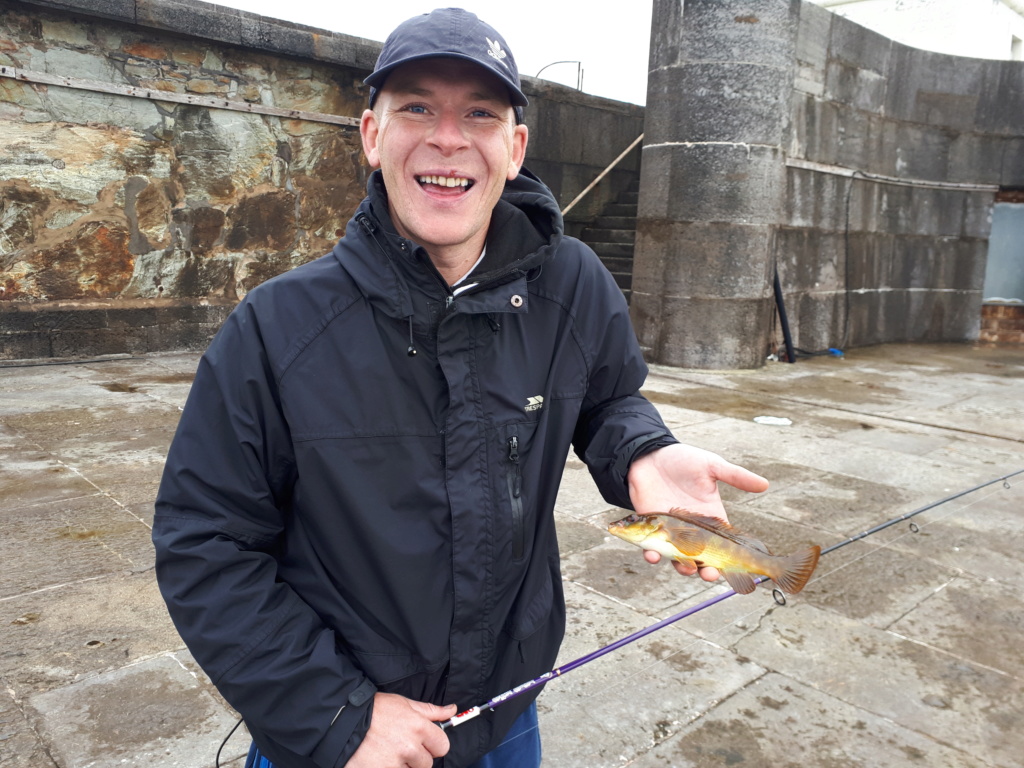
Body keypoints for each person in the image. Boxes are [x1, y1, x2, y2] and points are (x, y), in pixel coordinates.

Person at [152, 8, 769, 768]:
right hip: (341, 734)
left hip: (506, 709)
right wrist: (334, 715)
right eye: (416, 107)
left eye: (479, 113)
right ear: (372, 137)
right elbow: (205, 540)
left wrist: (642, 450)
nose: (448, 138)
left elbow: (609, 399)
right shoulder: (276, 325)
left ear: (514, 150)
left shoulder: (574, 284)